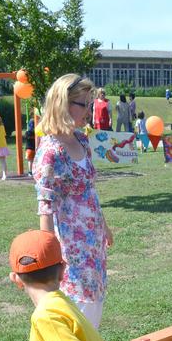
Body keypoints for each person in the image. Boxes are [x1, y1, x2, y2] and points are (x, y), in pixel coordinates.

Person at [32, 73, 114, 328]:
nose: (89, 111)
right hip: (70, 247)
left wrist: (104, 226)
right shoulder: (50, 151)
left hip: (93, 243)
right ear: (63, 104)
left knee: (94, 303)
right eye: (84, 104)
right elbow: (45, 205)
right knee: (76, 310)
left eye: (90, 104)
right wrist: (50, 255)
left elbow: (90, 190)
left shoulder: (82, 140)